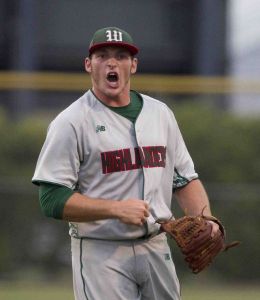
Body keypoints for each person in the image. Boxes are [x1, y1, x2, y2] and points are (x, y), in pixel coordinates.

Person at [32, 26, 219, 300]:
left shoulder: (160, 114)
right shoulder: (70, 122)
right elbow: (51, 198)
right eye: (102, 55)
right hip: (100, 251)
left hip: (156, 245)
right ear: (88, 65)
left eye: (121, 56)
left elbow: (184, 178)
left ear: (133, 65)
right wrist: (115, 209)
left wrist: (207, 218)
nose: (112, 62)